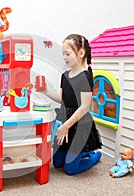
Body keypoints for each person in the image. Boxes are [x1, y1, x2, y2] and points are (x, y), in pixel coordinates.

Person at [37, 34, 102, 175]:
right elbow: (63, 100)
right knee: (58, 163)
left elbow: (85, 107)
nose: (64, 58)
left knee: (70, 169)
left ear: (81, 53)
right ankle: (78, 154)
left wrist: (66, 126)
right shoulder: (65, 76)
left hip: (78, 124)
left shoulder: (85, 76)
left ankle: (94, 155)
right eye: (63, 54)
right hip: (65, 122)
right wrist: (46, 91)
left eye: (67, 54)